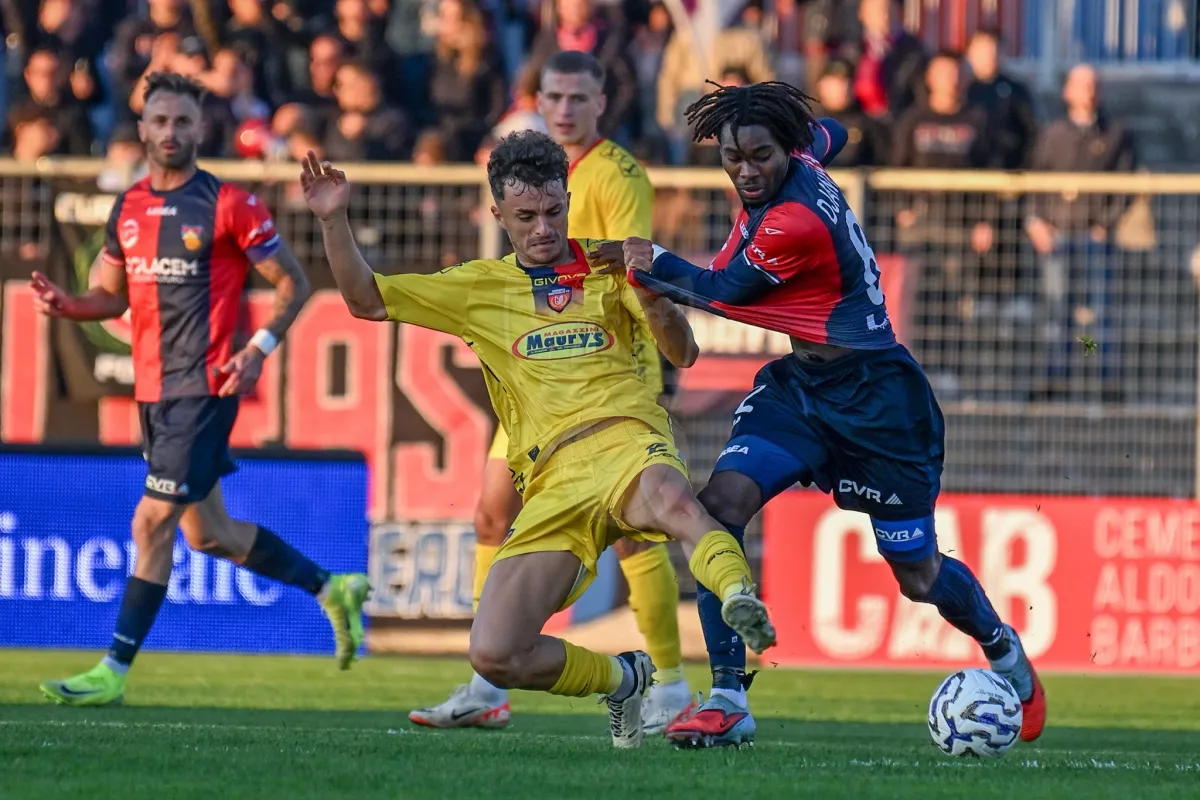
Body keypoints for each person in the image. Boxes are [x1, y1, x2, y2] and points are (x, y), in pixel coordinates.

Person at [591, 81, 1047, 749]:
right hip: (802, 389)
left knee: (917, 576)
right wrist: (821, 129)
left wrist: (649, 258)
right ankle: (726, 697)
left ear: (786, 152)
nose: (745, 171)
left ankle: (1004, 651)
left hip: (880, 402)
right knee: (719, 507)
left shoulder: (793, 222)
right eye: (732, 157)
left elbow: (722, 293)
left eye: (760, 156)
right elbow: (829, 132)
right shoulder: (803, 156)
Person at [302, 130, 776, 749]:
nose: (544, 228)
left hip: (628, 440)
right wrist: (334, 219)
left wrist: (654, 298)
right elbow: (365, 300)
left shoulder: (607, 268)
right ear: (497, 214)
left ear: (569, 200)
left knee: (673, 500)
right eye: (526, 216)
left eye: (554, 211)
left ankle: (740, 595)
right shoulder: (479, 288)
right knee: (494, 653)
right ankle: (623, 677)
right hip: (552, 480)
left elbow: (683, 353)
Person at [32, 72, 371, 707]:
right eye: (159, 120)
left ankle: (112, 669)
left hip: (207, 387)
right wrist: (68, 304)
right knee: (207, 534)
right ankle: (332, 588)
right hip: (154, 393)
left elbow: (294, 283)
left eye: (182, 121)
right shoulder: (128, 208)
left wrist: (256, 349)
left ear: (200, 128)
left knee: (151, 520)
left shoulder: (230, 205)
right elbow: (109, 297)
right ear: (141, 129)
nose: (170, 132)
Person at [408, 50, 695, 735]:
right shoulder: (526, 167)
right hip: (538, 377)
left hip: (606, 369)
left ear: (602, 102)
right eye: (553, 97)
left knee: (633, 539)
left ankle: (673, 682)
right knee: (489, 513)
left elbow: (629, 259)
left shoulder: (619, 174)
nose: (563, 109)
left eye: (577, 97)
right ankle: (487, 684)